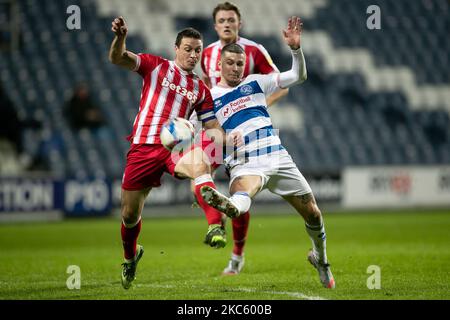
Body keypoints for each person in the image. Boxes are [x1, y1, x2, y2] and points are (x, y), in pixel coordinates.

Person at [200, 17, 335, 288]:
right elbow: (210, 131)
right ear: (219, 64)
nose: (236, 68)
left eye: (240, 63)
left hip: (277, 155)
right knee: (243, 194)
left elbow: (298, 76)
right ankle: (230, 205)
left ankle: (320, 259)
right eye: (230, 63)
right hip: (245, 160)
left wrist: (296, 50)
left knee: (314, 214)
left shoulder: (256, 83)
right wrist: (226, 138)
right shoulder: (209, 96)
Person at [109, 17, 236, 289]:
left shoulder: (201, 89)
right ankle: (130, 258)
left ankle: (215, 224)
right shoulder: (155, 66)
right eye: (188, 49)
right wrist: (120, 37)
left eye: (198, 51)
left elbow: (212, 127)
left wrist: (226, 140)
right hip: (143, 147)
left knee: (199, 164)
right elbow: (118, 58)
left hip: (175, 147)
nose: (193, 55)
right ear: (176, 48)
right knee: (129, 215)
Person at [191, 1, 289, 275]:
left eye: (231, 20)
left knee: (239, 191)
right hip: (215, 130)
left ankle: (237, 256)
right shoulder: (207, 52)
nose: (226, 24)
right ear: (215, 25)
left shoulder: (255, 50)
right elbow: (206, 91)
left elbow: (282, 86)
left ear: (239, 24)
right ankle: (216, 223)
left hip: (246, 134)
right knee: (197, 178)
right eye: (221, 20)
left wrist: (256, 107)